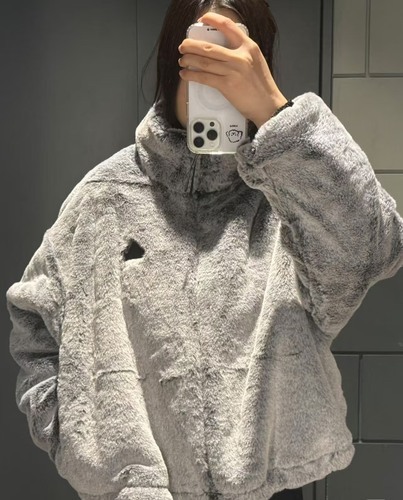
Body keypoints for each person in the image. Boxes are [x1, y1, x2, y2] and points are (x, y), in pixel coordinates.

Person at [6, 1, 403, 499]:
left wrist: (276, 115)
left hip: (273, 488)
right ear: (173, 67)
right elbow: (36, 326)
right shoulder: (105, 198)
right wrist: (75, 437)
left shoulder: (292, 194)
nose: (217, 82)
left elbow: (374, 250)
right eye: (204, 59)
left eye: (234, 60)